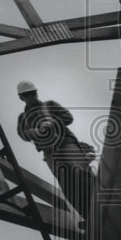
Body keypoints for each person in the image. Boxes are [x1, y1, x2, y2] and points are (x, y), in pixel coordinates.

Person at [15, 80, 97, 231]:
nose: (31, 96)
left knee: (80, 171)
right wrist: (32, 132)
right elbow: (22, 134)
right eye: (27, 95)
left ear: (36, 93)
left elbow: (68, 117)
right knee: (67, 185)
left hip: (66, 142)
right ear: (21, 97)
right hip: (50, 152)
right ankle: (90, 217)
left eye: (33, 93)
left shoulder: (50, 105)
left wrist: (53, 121)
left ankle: (102, 204)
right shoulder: (23, 118)